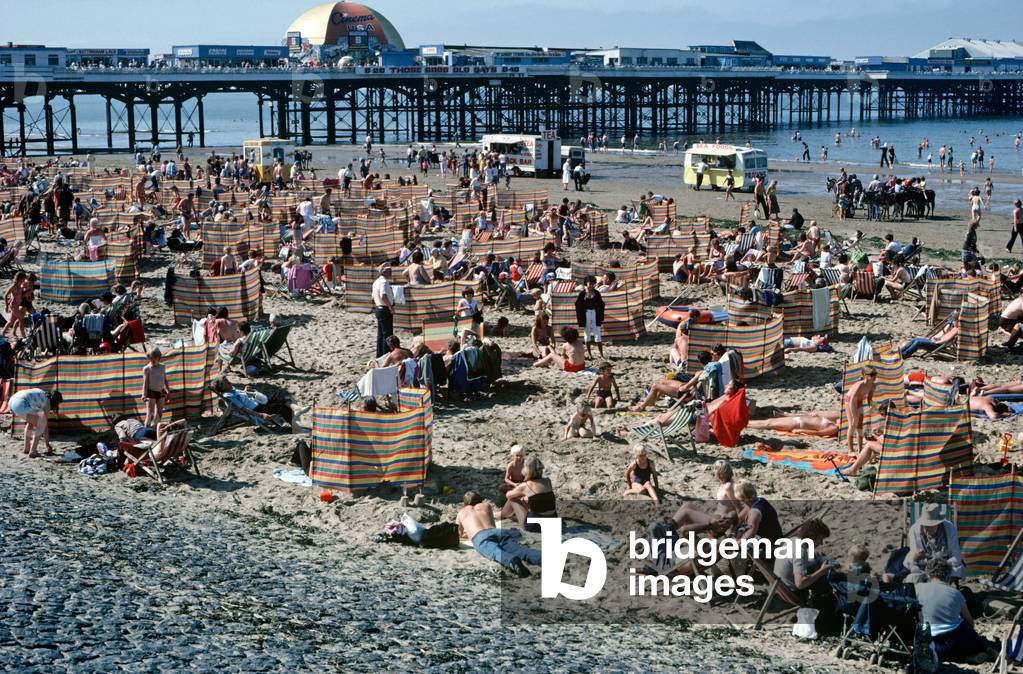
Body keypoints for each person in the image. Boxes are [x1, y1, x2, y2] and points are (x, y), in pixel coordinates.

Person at [916, 558, 993, 664]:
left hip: (933, 644)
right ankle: (983, 649)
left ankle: (962, 658)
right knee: (965, 627)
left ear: (928, 574)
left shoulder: (918, 588)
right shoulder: (955, 593)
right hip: (956, 642)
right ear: (948, 575)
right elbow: (970, 621)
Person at [457, 491, 541, 578]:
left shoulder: (461, 512)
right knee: (520, 550)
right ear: (480, 499)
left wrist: (469, 532)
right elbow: (491, 524)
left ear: (465, 503)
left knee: (496, 552)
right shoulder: (486, 505)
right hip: (496, 531)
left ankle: (511, 561)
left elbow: (459, 534)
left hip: (480, 536)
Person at [669, 460, 742, 535]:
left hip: (719, 522)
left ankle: (668, 529)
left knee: (686, 512)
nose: (714, 472)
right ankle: (669, 527)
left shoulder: (728, 487)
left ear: (720, 472)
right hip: (715, 517)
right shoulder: (724, 483)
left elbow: (738, 508)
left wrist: (736, 527)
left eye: (715, 469)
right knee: (688, 505)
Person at [211, 375, 303, 434]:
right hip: (257, 409)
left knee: (279, 395)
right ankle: (296, 427)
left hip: (259, 404)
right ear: (222, 388)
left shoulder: (232, 389)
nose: (230, 382)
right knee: (281, 407)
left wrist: (246, 391)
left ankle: (296, 408)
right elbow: (243, 409)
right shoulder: (229, 395)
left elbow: (243, 397)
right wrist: (261, 415)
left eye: (228, 381)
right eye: (227, 382)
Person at [905, 503, 965, 583]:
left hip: (945, 564)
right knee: (913, 572)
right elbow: (914, 555)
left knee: (954, 570)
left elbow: (956, 555)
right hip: (924, 565)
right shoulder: (914, 530)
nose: (927, 529)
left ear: (938, 523)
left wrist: (940, 565)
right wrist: (916, 557)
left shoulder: (949, 528)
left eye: (931, 526)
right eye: (925, 526)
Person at [501, 456, 557, 533]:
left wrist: (516, 490)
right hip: (553, 523)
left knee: (513, 499)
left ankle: (501, 515)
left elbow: (508, 495)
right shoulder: (548, 481)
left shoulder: (526, 486)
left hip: (535, 526)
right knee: (530, 499)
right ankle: (504, 514)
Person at [10, 388, 61, 458]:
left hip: (13, 400)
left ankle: (27, 448)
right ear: (55, 401)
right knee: (42, 423)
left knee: (31, 423)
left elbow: (39, 412)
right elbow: (45, 425)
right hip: (21, 403)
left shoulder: (41, 396)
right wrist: (47, 444)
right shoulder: (47, 402)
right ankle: (33, 451)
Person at [844, 366, 876, 457]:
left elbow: (869, 398)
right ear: (865, 375)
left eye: (875, 374)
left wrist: (871, 406)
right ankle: (850, 450)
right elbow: (851, 400)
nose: (874, 376)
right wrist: (854, 415)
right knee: (853, 424)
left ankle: (860, 449)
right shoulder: (860, 385)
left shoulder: (873, 386)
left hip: (859, 401)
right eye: (872, 374)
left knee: (860, 426)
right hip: (850, 401)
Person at [747, 410, 840, 437]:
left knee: (769, 423)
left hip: (798, 424)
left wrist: (802, 431)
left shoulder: (834, 428)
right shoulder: (835, 420)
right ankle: (744, 423)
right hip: (798, 419)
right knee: (770, 421)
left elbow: (820, 433)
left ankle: (744, 424)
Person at [575, 275, 605, 359]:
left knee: (597, 334)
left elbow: (601, 305)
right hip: (586, 314)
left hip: (595, 314)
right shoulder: (582, 293)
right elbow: (578, 305)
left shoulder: (597, 293)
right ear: (586, 283)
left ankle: (601, 354)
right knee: (587, 334)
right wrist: (581, 315)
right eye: (590, 283)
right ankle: (589, 354)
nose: (591, 285)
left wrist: (600, 315)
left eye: (593, 283)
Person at [141, 348, 169, 429]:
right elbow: (145, 383)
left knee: (159, 413)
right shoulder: (147, 369)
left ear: (159, 358)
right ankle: (146, 430)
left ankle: (155, 429)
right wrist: (144, 395)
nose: (153, 360)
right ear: (149, 358)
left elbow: (165, 379)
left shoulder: (162, 367)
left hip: (161, 392)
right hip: (151, 393)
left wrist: (168, 390)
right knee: (150, 413)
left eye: (154, 358)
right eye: (151, 359)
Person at [372, 264, 395, 358]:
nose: (391, 273)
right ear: (385, 272)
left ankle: (380, 355)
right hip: (384, 309)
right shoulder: (384, 282)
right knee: (387, 335)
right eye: (389, 271)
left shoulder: (376, 281)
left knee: (381, 334)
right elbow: (383, 295)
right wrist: (390, 306)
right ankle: (385, 356)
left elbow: (374, 296)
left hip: (379, 308)